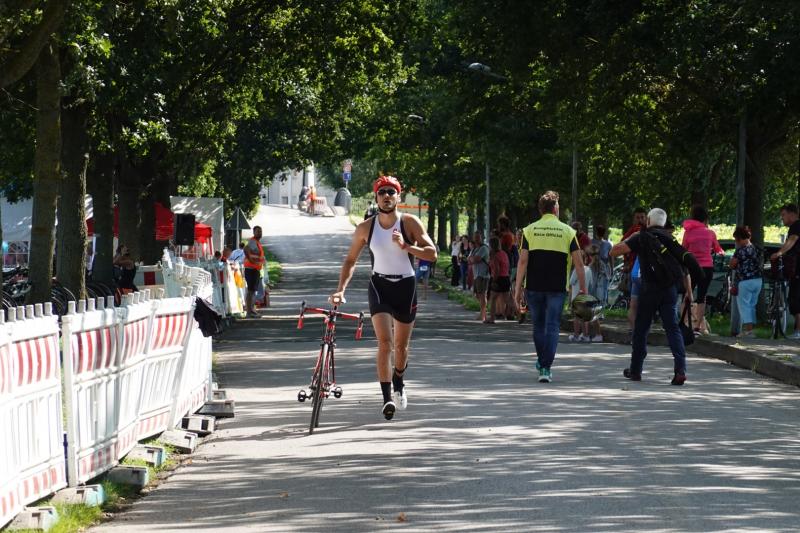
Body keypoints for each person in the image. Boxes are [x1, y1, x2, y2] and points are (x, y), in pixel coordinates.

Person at [331, 176, 437, 420]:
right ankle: (387, 398)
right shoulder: (365, 228)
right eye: (382, 192)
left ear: (398, 196)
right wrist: (341, 290)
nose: (386, 196)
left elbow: (432, 253)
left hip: (406, 286)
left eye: (391, 192)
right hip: (379, 285)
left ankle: (399, 379)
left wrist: (407, 246)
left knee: (401, 347)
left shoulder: (409, 223)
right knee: (385, 343)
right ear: (376, 197)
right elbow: (350, 261)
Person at [610, 208, 703, 385]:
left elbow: (614, 251)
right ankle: (680, 369)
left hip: (649, 290)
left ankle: (636, 370)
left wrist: (632, 239)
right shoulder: (670, 239)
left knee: (641, 329)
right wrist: (689, 294)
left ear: (648, 221)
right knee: (672, 329)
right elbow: (684, 269)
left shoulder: (641, 237)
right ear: (664, 223)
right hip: (669, 291)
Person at [514, 191, 586, 383]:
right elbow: (579, 264)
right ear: (555, 209)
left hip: (534, 286)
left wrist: (517, 288)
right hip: (557, 287)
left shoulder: (529, 230)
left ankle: (542, 362)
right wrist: (583, 290)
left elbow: (523, 261)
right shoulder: (568, 232)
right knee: (553, 325)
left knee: (538, 325)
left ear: (541, 210)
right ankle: (545, 367)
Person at [682, 204, 724, 334]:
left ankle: (683, 322)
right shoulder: (710, 233)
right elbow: (717, 249)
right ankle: (698, 326)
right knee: (702, 297)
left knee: (687, 294)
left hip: (692, 267)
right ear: (705, 219)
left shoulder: (688, 233)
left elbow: (683, 249)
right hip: (707, 267)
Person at [770, 203, 800, 338]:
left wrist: (779, 253)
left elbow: (792, 240)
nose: (781, 218)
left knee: (796, 298)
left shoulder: (796, 226)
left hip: (798, 269)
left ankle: (798, 330)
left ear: (792, 214)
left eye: (783, 215)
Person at [730, 226, 762, 338]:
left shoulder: (740, 250)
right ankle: (751, 330)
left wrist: (732, 264)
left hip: (745, 281)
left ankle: (748, 331)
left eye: (736, 240)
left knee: (744, 306)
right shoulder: (757, 248)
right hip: (758, 280)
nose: (736, 242)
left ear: (739, 238)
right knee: (752, 305)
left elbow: (732, 264)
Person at [622, 208, 647, 336]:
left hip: (644, 271)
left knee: (636, 303)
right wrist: (627, 261)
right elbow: (621, 245)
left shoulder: (649, 231)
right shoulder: (632, 231)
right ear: (634, 219)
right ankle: (637, 331)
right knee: (636, 303)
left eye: (642, 217)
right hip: (636, 271)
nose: (640, 220)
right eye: (638, 217)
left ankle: (637, 331)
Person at [568, 248, 595, 342]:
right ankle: (585, 335)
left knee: (576, 317)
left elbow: (571, 281)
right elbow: (591, 283)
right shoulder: (589, 269)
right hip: (586, 295)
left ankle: (576, 335)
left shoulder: (577, 269)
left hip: (576, 296)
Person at [485, 236, 510, 324]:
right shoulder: (504, 253)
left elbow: (496, 270)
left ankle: (492, 318)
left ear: (491, 245)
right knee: (508, 299)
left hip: (498, 278)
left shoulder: (495, 255)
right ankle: (519, 314)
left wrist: (494, 281)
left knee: (493, 298)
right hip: (506, 277)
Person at [243, 226, 265, 318]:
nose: (260, 233)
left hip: (254, 269)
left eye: (260, 231)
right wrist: (252, 261)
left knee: (252, 291)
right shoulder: (253, 241)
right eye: (258, 231)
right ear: (254, 232)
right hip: (251, 269)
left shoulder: (257, 242)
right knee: (251, 291)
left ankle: (251, 310)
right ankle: (249, 311)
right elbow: (246, 249)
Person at [469, 231, 491, 322]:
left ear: (481, 238)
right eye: (475, 237)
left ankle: (483, 315)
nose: (477, 239)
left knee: (482, 294)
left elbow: (476, 259)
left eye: (478, 237)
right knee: (477, 295)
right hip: (476, 275)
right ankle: (483, 313)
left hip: (483, 275)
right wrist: (472, 259)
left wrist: (473, 259)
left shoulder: (484, 248)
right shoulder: (474, 249)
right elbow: (469, 260)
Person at [591, 225, 614, 308]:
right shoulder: (607, 244)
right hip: (597, 268)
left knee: (597, 286)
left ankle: (598, 304)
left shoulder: (592, 242)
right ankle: (600, 304)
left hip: (599, 268)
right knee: (601, 287)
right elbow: (611, 258)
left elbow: (611, 257)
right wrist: (612, 269)